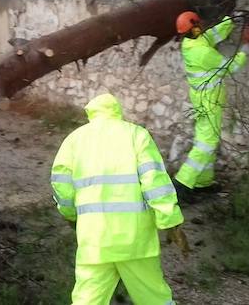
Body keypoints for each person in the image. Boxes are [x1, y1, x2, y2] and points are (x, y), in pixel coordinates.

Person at [51, 93, 188, 305]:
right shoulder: (137, 135)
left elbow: (62, 186)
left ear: (90, 113)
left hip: (94, 241)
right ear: (117, 111)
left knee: (86, 301)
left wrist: (71, 216)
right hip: (135, 241)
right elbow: (155, 182)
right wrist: (170, 222)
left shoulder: (73, 141)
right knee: (155, 299)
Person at [172, 12, 249, 200]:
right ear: (195, 27)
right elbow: (229, 67)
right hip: (209, 102)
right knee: (206, 143)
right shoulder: (202, 52)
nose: (201, 27)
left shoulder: (192, 42)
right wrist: (244, 52)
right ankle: (182, 184)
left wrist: (229, 20)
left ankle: (203, 182)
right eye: (198, 25)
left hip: (203, 99)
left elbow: (213, 35)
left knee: (207, 140)